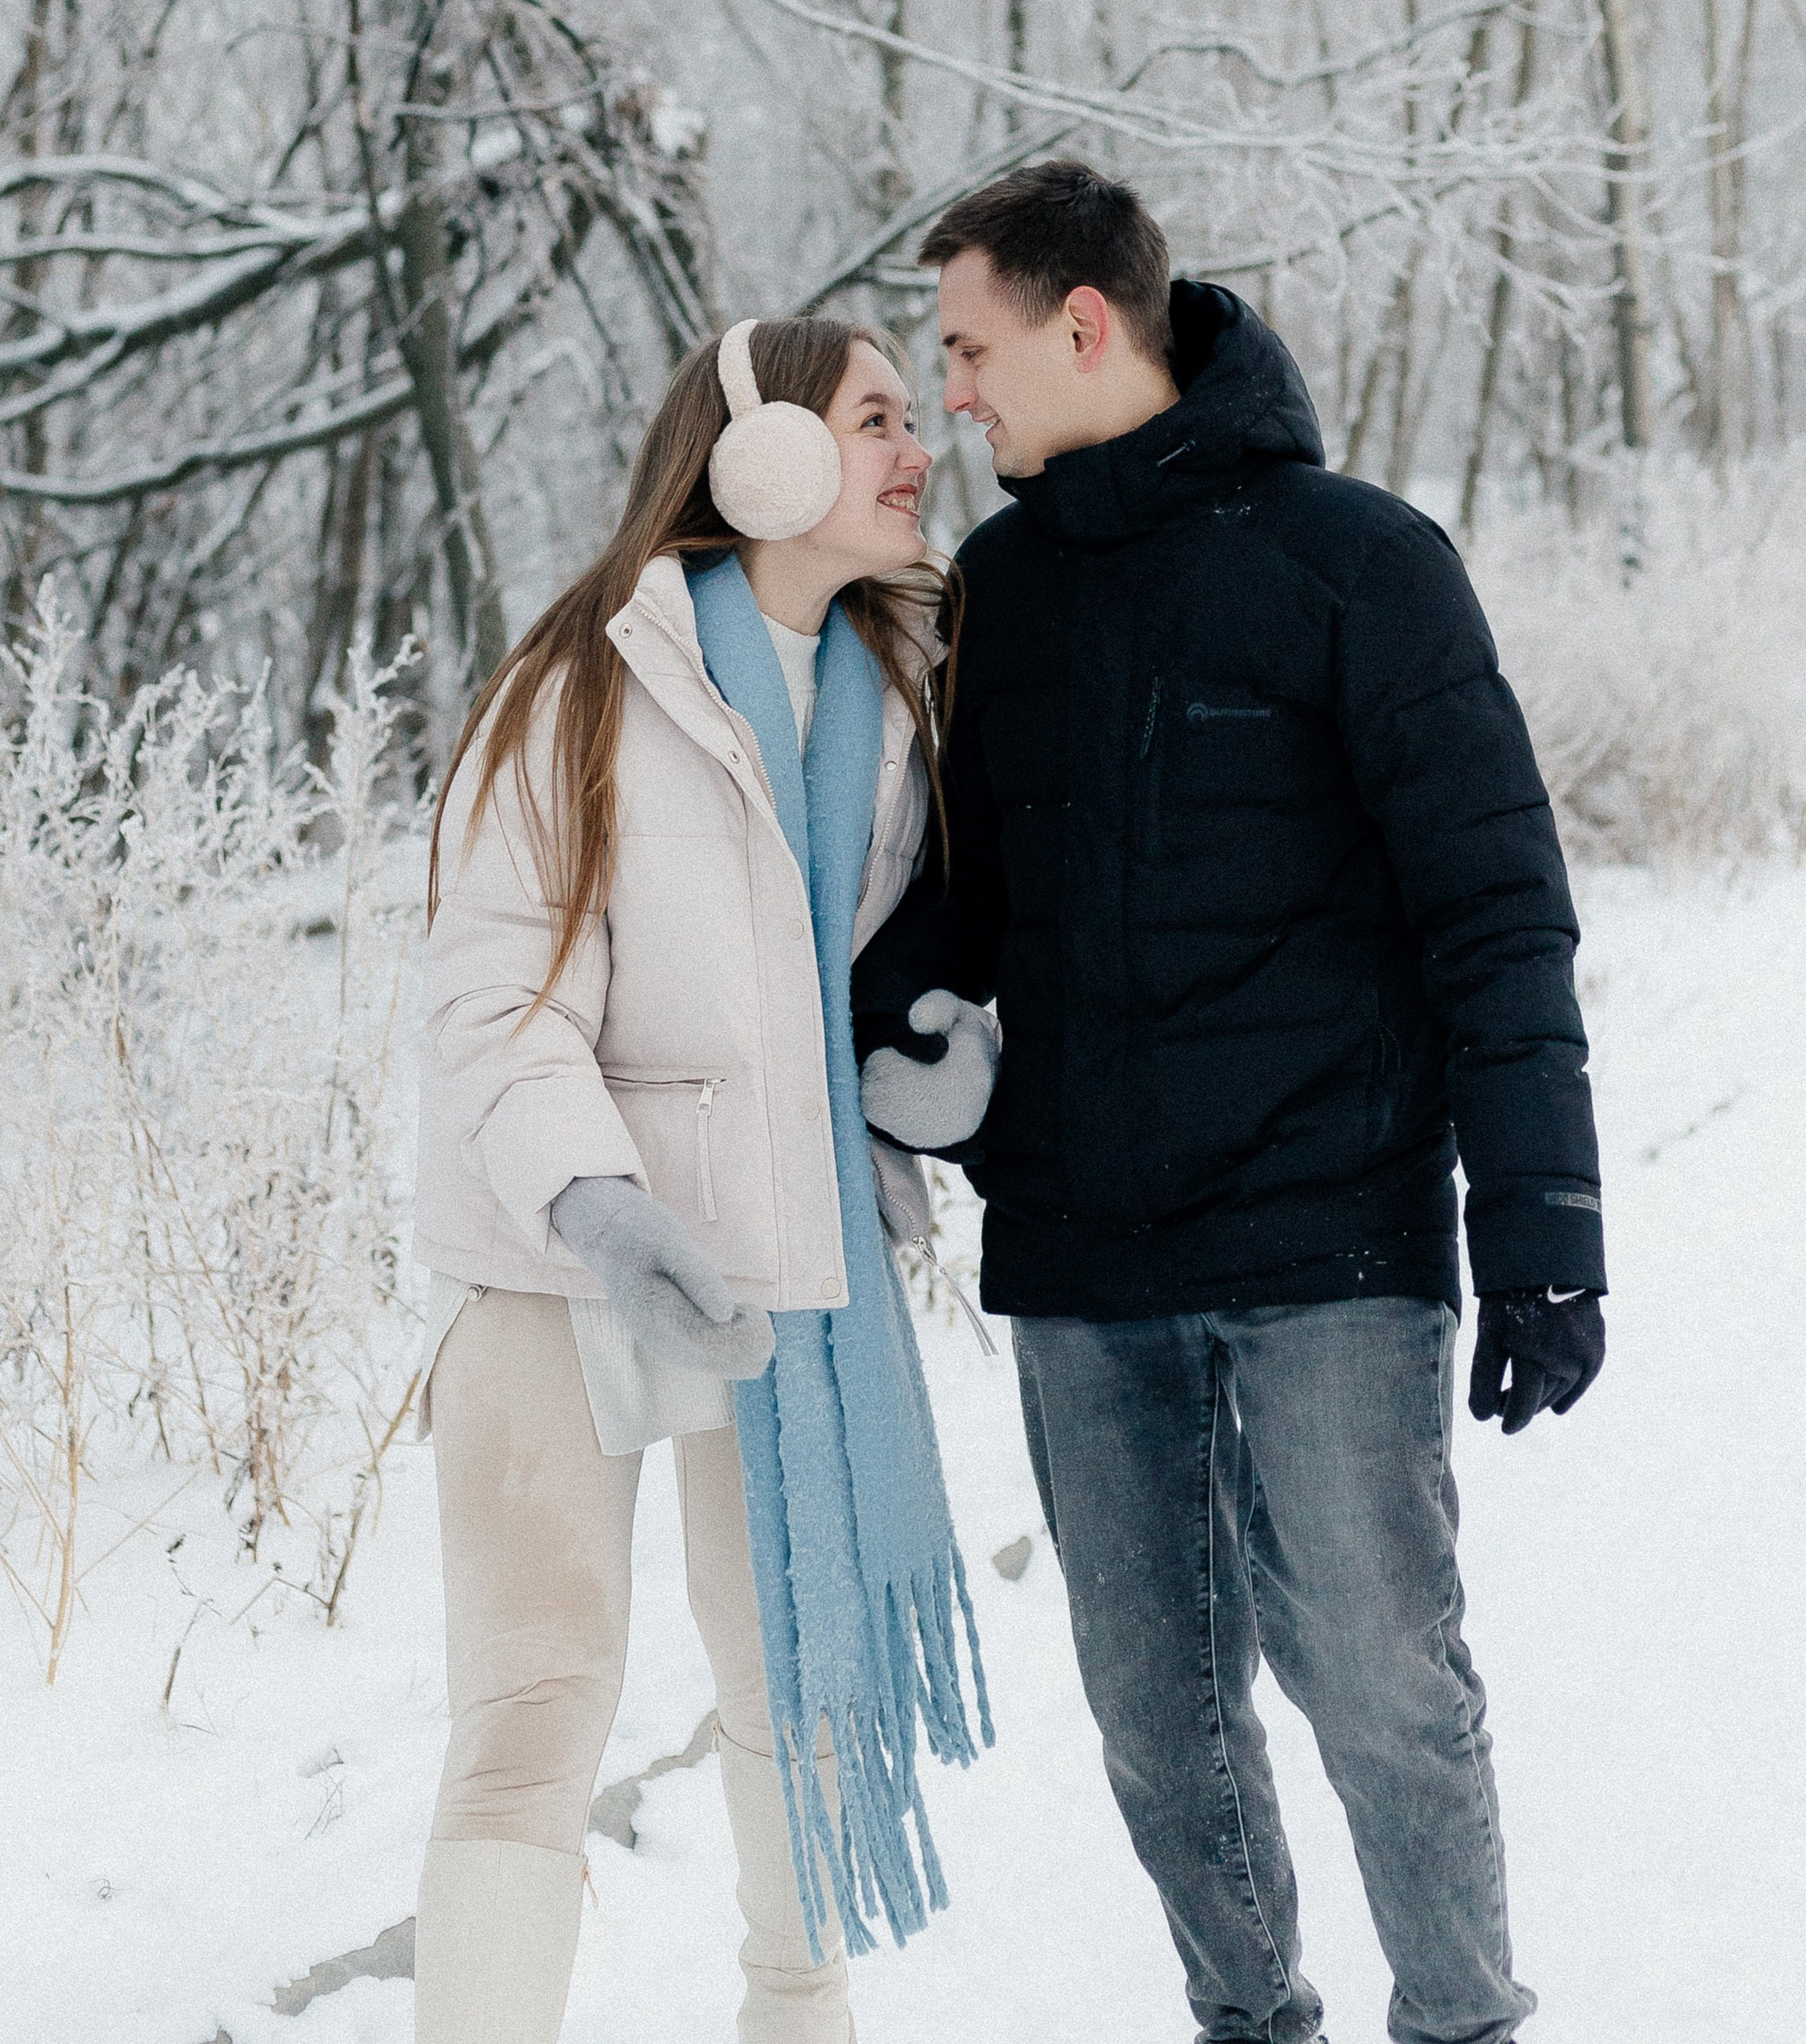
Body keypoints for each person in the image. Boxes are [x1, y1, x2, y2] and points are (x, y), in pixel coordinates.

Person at [855, 161, 1604, 2044]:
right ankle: (1247, 2021)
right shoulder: (1000, 596)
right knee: (1153, 1717)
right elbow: (961, 898)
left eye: (965, 347)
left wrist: (1537, 1232)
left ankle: (1457, 2020)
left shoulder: (1355, 564)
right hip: (1085, 1264)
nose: (951, 390)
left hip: (1327, 1237)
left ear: (1080, 326)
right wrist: (883, 1018)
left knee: (1375, 1683)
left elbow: (1494, 913)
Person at [413, 313, 990, 2044]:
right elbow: (492, 1001)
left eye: (911, 419)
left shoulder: (901, 695)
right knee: (535, 1704)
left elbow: (867, 977)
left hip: (782, 1259)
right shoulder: (575, 687)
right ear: (762, 460)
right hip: (554, 1255)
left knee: (795, 1689)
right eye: (877, 420)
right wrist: (593, 1200)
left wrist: (912, 1097)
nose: (916, 452)